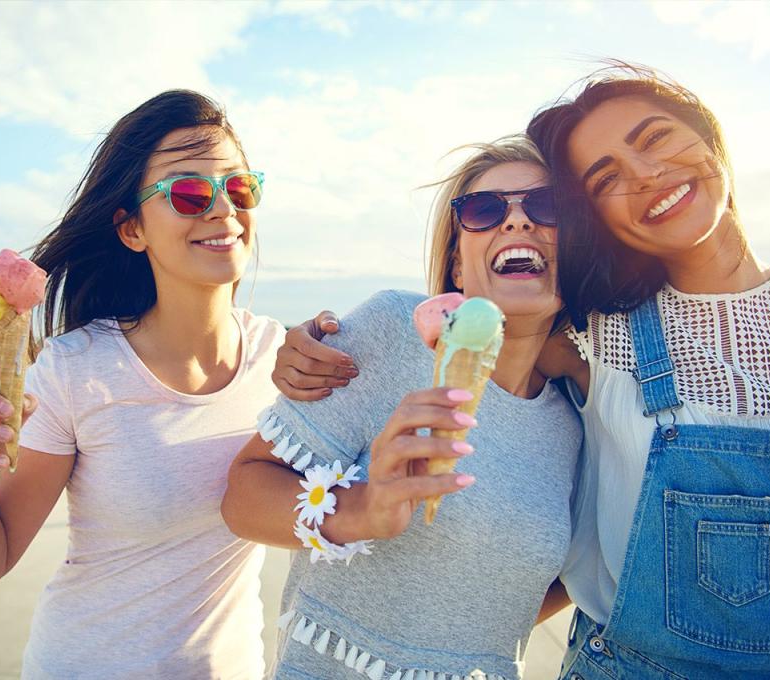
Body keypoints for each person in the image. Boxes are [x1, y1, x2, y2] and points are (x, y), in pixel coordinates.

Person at [276, 65, 770, 680]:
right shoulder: (594, 338)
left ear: (713, 138)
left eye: (657, 137)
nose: (643, 175)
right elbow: (484, 332)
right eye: (605, 177)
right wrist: (299, 343)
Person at [0, 90, 285, 678]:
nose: (222, 208)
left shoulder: (281, 358)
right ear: (132, 229)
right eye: (189, 192)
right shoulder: (76, 370)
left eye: (240, 188)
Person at [221, 135, 581, 679]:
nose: (516, 222)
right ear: (457, 266)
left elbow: (561, 580)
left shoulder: (581, 417)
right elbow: (243, 494)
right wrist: (362, 509)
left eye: (547, 206)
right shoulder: (390, 331)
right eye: (484, 210)